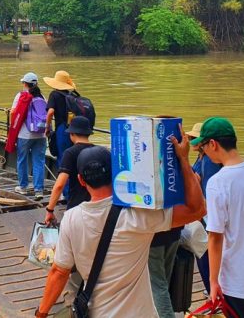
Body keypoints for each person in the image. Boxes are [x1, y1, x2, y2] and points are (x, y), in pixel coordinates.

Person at [35, 136, 206, 318]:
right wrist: (184, 160)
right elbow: (197, 209)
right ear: (115, 173)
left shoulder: (71, 219)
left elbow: (59, 272)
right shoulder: (138, 214)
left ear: (81, 180)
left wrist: (41, 313)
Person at [190, 117, 244, 318]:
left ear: (213, 144)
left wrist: (213, 283)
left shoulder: (218, 183)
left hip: (238, 278)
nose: (203, 151)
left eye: (203, 146)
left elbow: (215, 237)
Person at [188, 121, 223, 296]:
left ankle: (212, 289)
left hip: (209, 212)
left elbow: (209, 188)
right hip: (206, 211)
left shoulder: (208, 160)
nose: (191, 141)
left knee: (204, 251)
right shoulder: (202, 157)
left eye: (194, 138)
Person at [43, 115, 94, 226]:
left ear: (72, 134)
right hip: (97, 206)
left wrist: (50, 210)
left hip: (76, 206)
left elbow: (60, 185)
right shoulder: (100, 151)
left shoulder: (70, 153)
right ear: (88, 133)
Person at [12, 72, 47, 199]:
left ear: (25, 84)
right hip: (41, 135)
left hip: (24, 134)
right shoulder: (42, 97)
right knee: (39, 161)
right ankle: (39, 190)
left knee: (22, 160)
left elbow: (14, 113)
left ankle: (23, 187)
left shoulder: (21, 96)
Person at [44, 70, 76, 165]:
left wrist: (47, 127)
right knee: (72, 157)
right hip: (73, 129)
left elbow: (50, 112)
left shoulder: (54, 94)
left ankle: (63, 180)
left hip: (62, 129)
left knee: (62, 158)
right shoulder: (72, 95)